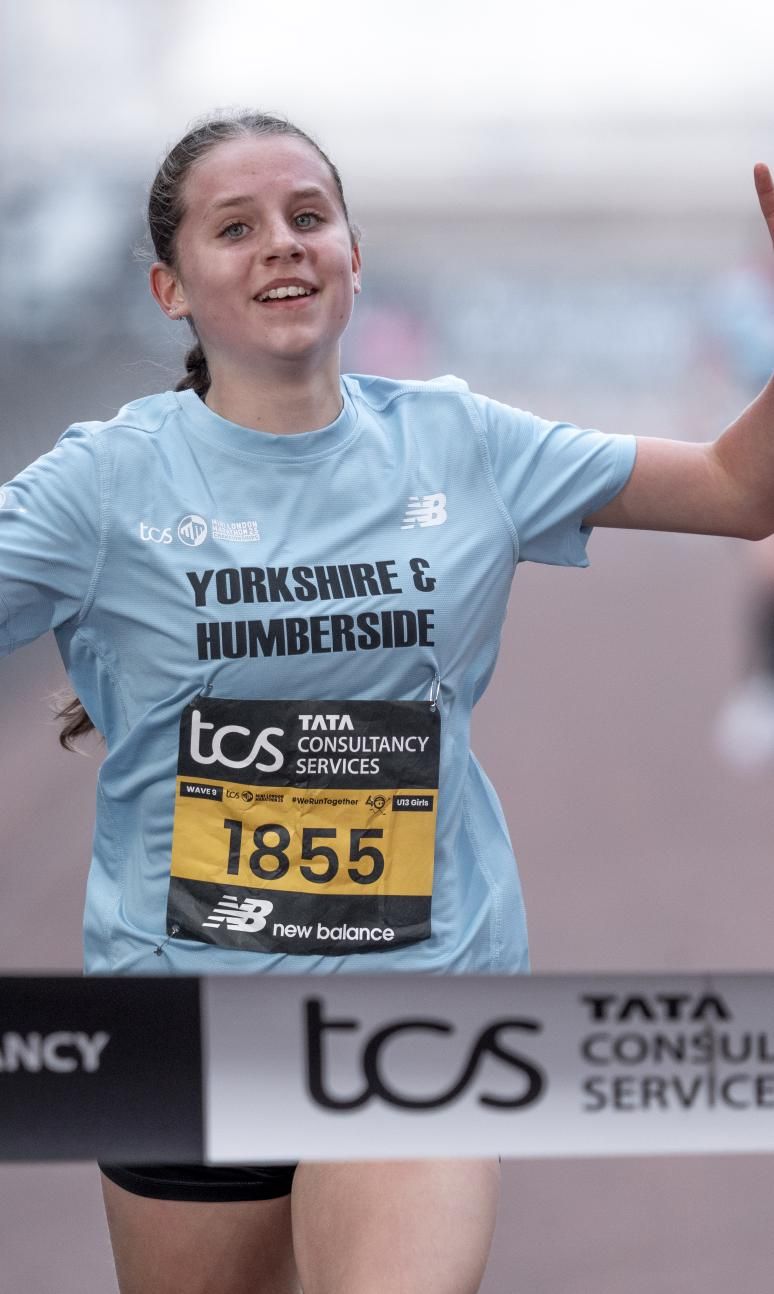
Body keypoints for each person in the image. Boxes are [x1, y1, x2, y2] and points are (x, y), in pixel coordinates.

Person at [1, 110, 773, 1294]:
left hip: (420, 1014)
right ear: (170, 286)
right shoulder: (98, 487)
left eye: (310, 218)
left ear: (355, 258)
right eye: (237, 227)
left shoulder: (464, 443)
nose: (283, 245)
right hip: (188, 1027)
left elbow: (736, 487)